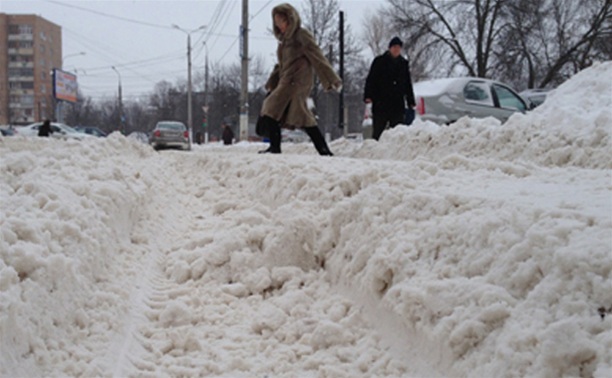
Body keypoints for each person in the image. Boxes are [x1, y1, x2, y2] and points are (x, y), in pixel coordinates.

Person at [257, 3, 342, 155]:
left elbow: (317, 56)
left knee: (274, 109)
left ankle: (278, 148)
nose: (279, 26)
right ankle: (322, 151)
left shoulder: (301, 35)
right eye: (276, 23)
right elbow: (282, 65)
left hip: (297, 83)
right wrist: (272, 81)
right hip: (286, 82)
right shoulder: (284, 42)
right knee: (293, 115)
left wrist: (331, 79)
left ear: (290, 20)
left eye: (281, 22)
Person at [364, 36, 416, 141]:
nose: (396, 49)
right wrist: (368, 95)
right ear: (390, 48)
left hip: (397, 103)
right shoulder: (379, 61)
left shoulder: (403, 64)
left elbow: (407, 84)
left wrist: (411, 101)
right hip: (381, 102)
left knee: (397, 132)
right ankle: (374, 149)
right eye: (394, 47)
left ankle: (395, 151)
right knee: (378, 130)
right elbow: (371, 79)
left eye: (398, 47)